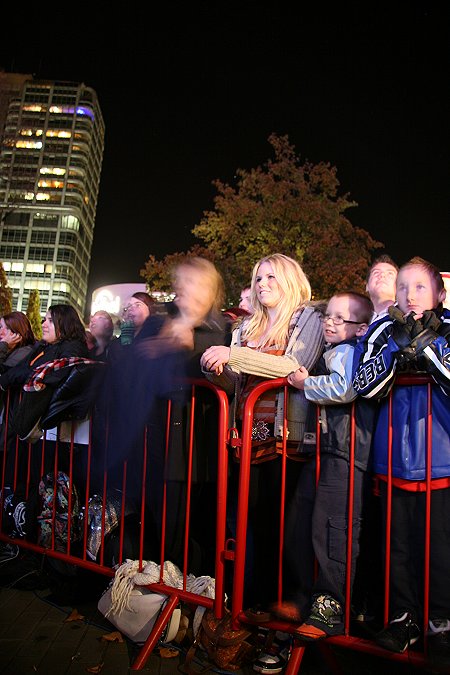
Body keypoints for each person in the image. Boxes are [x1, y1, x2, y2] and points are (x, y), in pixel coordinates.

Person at [201, 253, 325, 610]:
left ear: (290, 280)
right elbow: (236, 383)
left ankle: (280, 609)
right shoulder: (246, 326)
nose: (262, 284)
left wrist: (232, 354)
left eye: (271, 277)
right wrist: (216, 368)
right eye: (258, 278)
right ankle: (251, 605)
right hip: (248, 434)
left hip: (288, 435)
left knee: (281, 526)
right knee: (249, 524)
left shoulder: (307, 316)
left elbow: (293, 366)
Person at [352, 257, 450, 665]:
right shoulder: (381, 328)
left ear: (439, 295)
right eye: (404, 287)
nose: (410, 295)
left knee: (440, 550)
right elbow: (362, 385)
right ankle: (402, 619)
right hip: (392, 460)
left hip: (441, 463)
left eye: (420, 287)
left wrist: (428, 344)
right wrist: (395, 346)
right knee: (398, 548)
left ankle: (442, 625)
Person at [283, 291, 375, 641]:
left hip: (344, 452)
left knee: (335, 530)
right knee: (301, 522)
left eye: (341, 318)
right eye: (328, 316)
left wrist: (306, 383)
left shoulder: (351, 352)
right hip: (323, 450)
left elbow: (346, 387)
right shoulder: (332, 351)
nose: (330, 322)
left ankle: (330, 605)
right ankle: (305, 596)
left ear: (361, 328)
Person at [0, 304, 90, 488]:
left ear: (63, 323)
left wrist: (15, 378)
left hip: (48, 431)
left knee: (38, 483)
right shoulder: (43, 346)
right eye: (45, 319)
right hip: (30, 426)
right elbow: (20, 371)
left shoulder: (72, 349)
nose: (43, 324)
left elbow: (48, 375)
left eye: (50, 320)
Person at [0, 312, 36, 490]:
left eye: (4, 328)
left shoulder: (23, 353)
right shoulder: (9, 350)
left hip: (9, 428)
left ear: (16, 332)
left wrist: (4, 346)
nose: (0, 332)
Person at [366, 254, 398, 320]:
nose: (382, 275)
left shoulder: (410, 318)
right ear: (367, 286)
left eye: (390, 273)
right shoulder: (354, 321)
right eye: (376, 273)